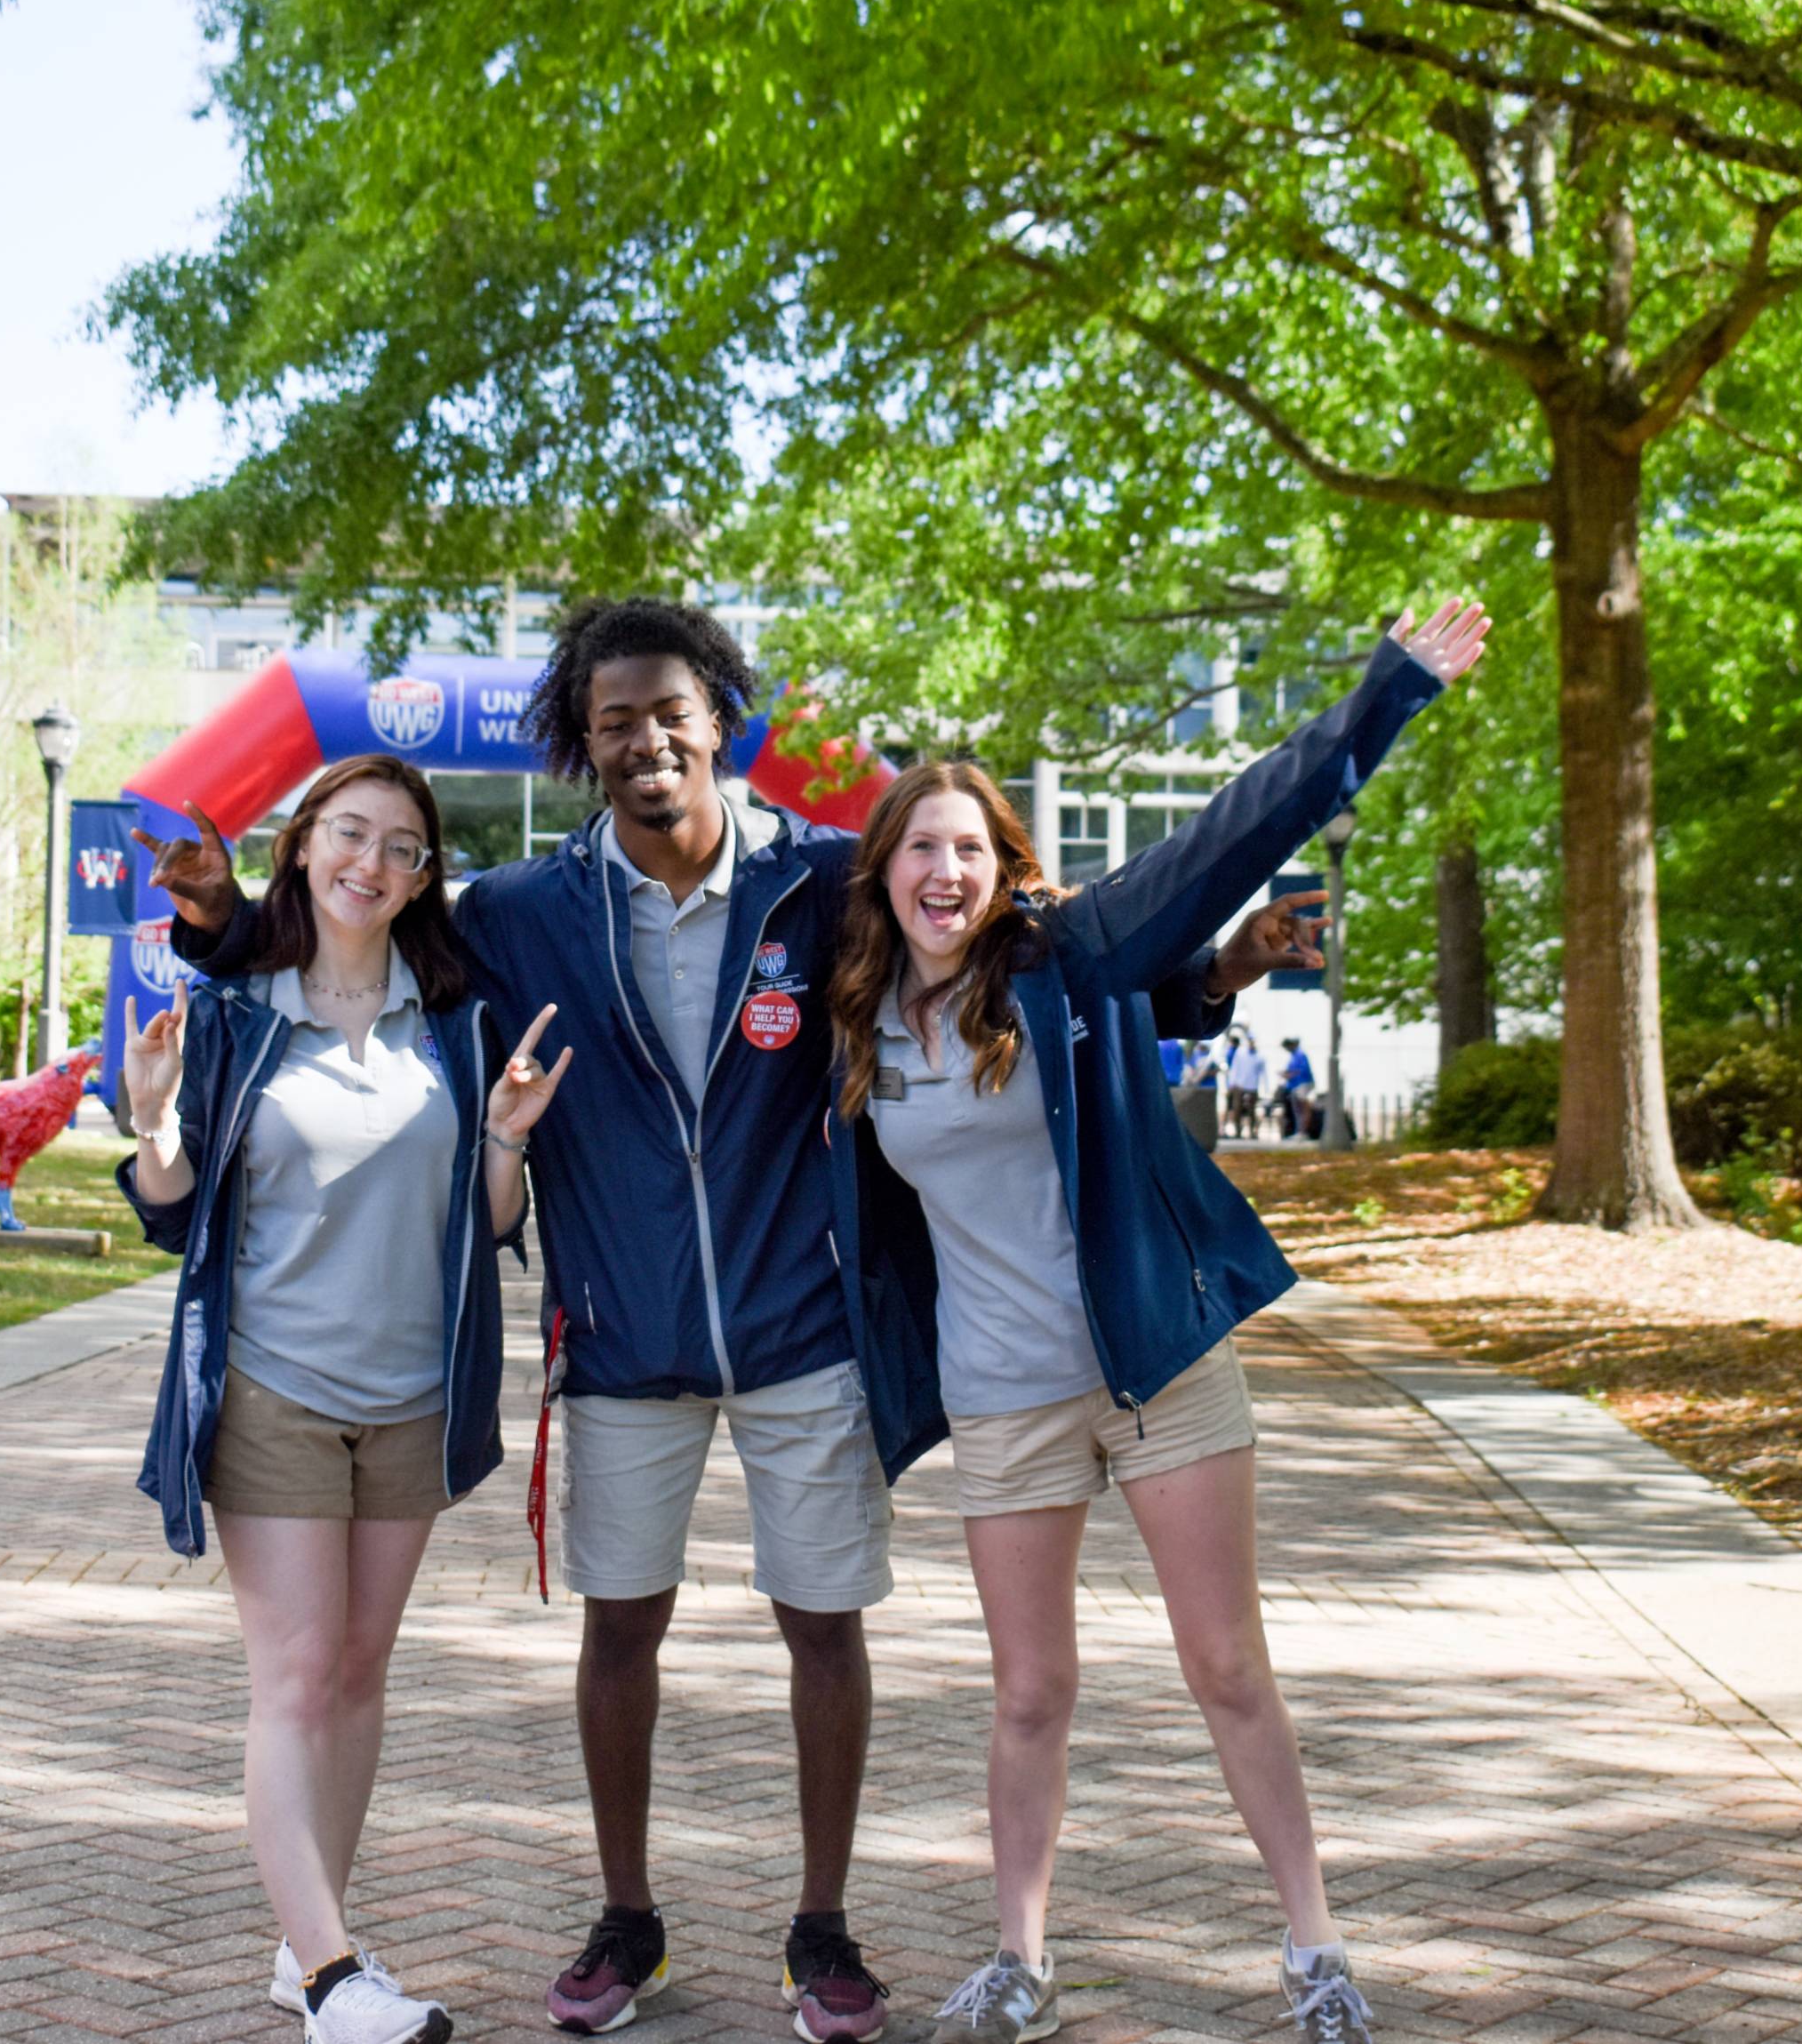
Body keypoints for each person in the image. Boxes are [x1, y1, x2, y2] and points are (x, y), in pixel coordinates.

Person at [140, 598, 1292, 2042]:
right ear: (580, 740)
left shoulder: (823, 884)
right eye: (613, 718)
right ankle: (627, 1919)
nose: (645, 739)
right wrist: (219, 919)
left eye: (670, 709)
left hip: (803, 1326)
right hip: (620, 1336)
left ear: (719, 716)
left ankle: (823, 1926)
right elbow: (364, 923)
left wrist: (1201, 977)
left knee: (825, 1622)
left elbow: (1013, 944)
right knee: (622, 1624)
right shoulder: (520, 914)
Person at [827, 601, 1487, 2044]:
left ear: (1007, 869)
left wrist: (1387, 693)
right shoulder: (856, 1023)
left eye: (972, 846)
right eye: (920, 845)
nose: (947, 868)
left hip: (1158, 1362)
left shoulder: (1071, 956)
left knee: (1226, 1661)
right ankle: (1022, 1956)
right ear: (882, 871)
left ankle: (1314, 1949)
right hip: (1002, 1396)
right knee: (1028, 1691)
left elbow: (1230, 831)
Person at [115, 754, 563, 2044]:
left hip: (413, 1397)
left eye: (403, 845)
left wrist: (510, 1134)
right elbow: (176, 1216)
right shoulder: (242, 1011)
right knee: (298, 1676)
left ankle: (308, 1933)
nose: (372, 862)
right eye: (349, 834)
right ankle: (330, 1976)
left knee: (362, 1672)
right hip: (273, 1389)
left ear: (426, 875)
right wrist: (154, 1124)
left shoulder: (457, 1018)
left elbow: (482, 1227)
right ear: (305, 848)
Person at [1221, 1026, 1267, 1140]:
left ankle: (1252, 1131)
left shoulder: (1259, 1057)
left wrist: (1265, 1089)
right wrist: (1231, 1084)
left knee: (1252, 1110)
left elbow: (1263, 1074)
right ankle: (1238, 1131)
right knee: (1237, 1108)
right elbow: (1235, 1069)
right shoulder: (1240, 1054)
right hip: (1239, 1085)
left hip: (1252, 1086)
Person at [1275, 1036, 1317, 1141]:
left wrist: (1289, 1075)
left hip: (1302, 1084)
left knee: (1302, 1108)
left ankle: (1303, 1131)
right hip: (1294, 1086)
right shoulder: (1294, 1056)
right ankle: (1299, 1130)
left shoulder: (1300, 1055)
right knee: (1297, 1110)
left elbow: (1301, 1071)